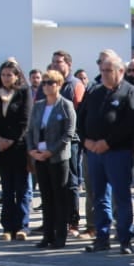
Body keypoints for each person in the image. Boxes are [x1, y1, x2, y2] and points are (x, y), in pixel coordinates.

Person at [79, 51, 134, 254]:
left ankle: (125, 239)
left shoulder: (129, 92)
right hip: (93, 153)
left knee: (121, 197)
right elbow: (81, 119)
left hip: (117, 153)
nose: (104, 74)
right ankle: (102, 237)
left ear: (120, 71)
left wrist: (108, 142)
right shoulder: (94, 92)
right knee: (99, 197)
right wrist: (86, 140)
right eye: (102, 70)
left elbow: (130, 123)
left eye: (109, 70)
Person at [27, 68, 76, 249]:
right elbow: (31, 130)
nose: (46, 86)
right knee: (46, 197)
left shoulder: (65, 105)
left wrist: (52, 151)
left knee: (59, 196)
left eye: (50, 83)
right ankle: (47, 235)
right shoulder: (38, 105)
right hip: (40, 156)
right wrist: (32, 150)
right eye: (44, 83)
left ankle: (60, 236)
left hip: (58, 157)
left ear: (59, 85)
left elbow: (69, 133)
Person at [0, 59, 31, 241]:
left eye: (9, 75)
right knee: (6, 189)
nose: (6, 78)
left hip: (19, 147)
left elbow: (25, 120)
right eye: (3, 75)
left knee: (21, 188)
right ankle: (7, 227)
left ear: (17, 76)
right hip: (1, 148)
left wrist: (11, 140)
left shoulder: (24, 92)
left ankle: (22, 226)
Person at [51, 50, 86, 238]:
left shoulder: (74, 85)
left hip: (70, 142)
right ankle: (56, 219)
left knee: (71, 181)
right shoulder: (51, 84)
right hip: (51, 143)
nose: (56, 65)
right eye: (54, 62)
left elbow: (79, 114)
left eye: (59, 62)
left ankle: (73, 221)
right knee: (55, 182)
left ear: (68, 65)